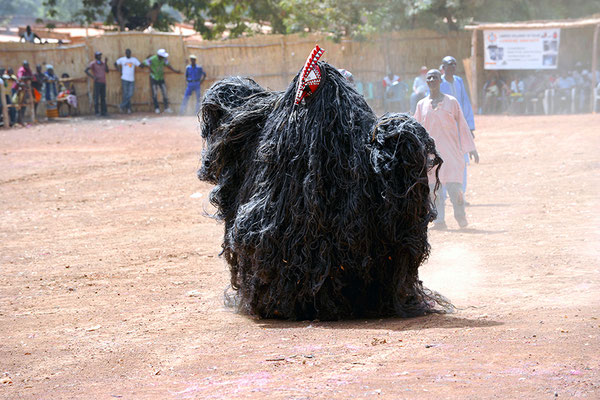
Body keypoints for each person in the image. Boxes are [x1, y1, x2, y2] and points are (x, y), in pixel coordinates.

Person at [414, 69, 479, 230]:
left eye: (435, 77)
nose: (432, 80)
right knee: (433, 190)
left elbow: (463, 125)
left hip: (451, 153)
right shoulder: (422, 105)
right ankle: (439, 221)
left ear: (440, 81)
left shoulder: (452, 102)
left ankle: (460, 216)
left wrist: (471, 148)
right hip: (431, 155)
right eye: (429, 78)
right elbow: (416, 130)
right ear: (427, 82)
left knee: (455, 188)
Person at [440, 55, 476, 201]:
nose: (453, 67)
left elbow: (465, 104)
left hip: (459, 127)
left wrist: (470, 127)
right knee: (442, 160)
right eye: (449, 64)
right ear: (443, 67)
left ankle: (461, 194)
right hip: (444, 129)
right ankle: (442, 195)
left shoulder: (459, 81)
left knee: (461, 160)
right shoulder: (438, 82)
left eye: (454, 64)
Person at [143, 48, 180, 114]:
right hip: (154, 78)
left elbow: (168, 65)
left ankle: (166, 108)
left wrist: (175, 71)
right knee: (154, 93)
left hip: (161, 78)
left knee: (164, 93)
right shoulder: (153, 59)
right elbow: (144, 63)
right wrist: (150, 68)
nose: (164, 57)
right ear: (159, 55)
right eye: (163, 56)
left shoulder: (164, 59)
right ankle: (156, 108)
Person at [115, 48, 142, 114]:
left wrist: (147, 62)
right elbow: (115, 63)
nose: (128, 54)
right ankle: (128, 109)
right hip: (124, 78)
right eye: (127, 53)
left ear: (130, 53)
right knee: (125, 94)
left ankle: (122, 106)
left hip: (132, 79)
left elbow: (140, 65)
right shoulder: (122, 59)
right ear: (125, 53)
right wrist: (119, 70)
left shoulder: (134, 60)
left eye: (129, 53)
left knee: (130, 94)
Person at [85, 51, 109, 116]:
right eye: (98, 55)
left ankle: (104, 112)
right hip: (97, 82)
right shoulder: (93, 63)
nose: (100, 57)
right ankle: (97, 112)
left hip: (103, 82)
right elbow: (86, 70)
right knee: (96, 97)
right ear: (96, 56)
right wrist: (93, 77)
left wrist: (106, 63)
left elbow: (107, 71)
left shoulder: (103, 63)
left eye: (100, 55)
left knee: (103, 97)